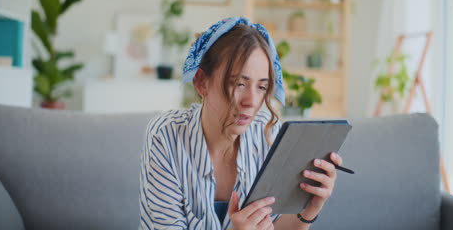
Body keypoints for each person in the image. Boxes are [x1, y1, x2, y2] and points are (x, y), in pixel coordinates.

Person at [139, 17, 344, 230]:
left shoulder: (268, 134)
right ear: (202, 83)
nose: (252, 102)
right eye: (239, 84)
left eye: (261, 87)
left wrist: (308, 209)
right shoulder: (165, 136)